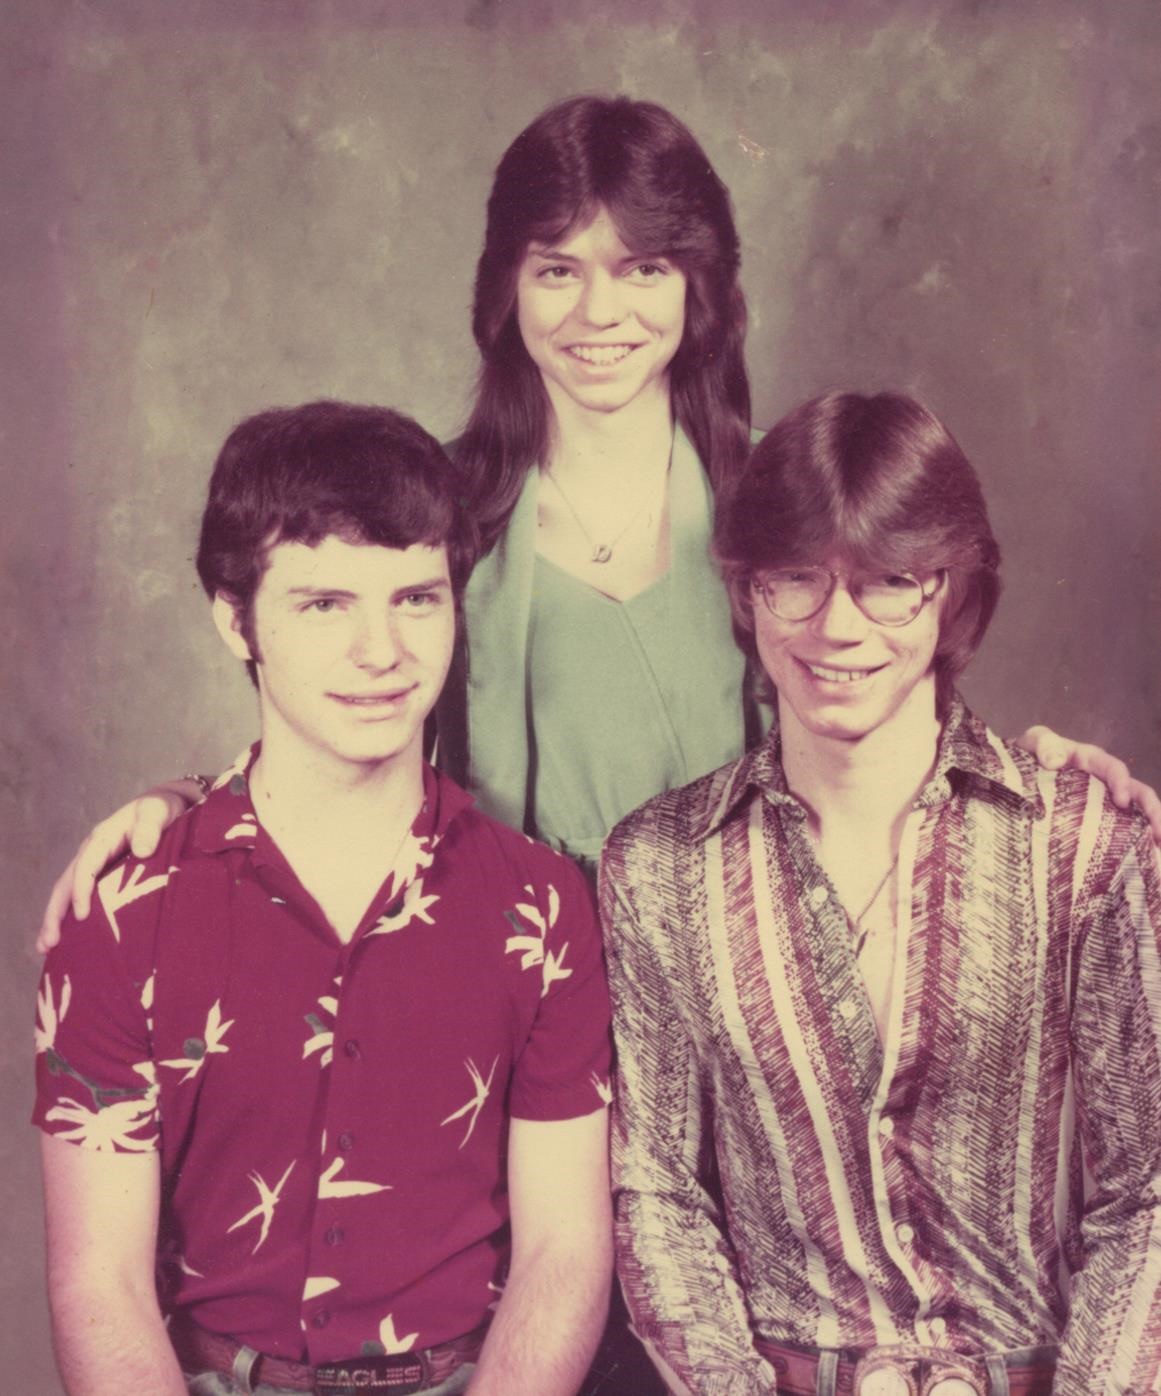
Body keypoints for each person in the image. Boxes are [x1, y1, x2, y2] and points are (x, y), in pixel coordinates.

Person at [35, 95, 1156, 945]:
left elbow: (876, 683)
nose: (598, 313)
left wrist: (1036, 769)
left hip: (752, 967)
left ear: (697, 288)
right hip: (508, 973)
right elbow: (341, 703)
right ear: (506, 289)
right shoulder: (440, 507)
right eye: (557, 270)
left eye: (643, 268)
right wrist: (183, 804)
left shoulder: (781, 490)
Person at [34, 401, 613, 1396]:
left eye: (416, 599)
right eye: (324, 605)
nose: (381, 652)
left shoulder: (542, 906)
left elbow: (565, 1254)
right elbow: (99, 1283)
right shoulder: (123, 913)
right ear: (235, 619)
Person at [601, 390, 1161, 1396]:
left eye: (889, 583)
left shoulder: (1083, 841)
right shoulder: (659, 866)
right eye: (795, 580)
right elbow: (659, 1193)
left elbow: (1149, 1193)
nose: (837, 626)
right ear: (747, 593)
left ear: (954, 595)